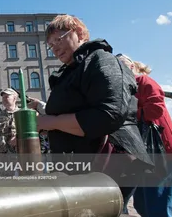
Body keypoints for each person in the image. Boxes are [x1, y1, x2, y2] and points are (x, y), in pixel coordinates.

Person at [27, 14, 154, 204]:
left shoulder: (102, 60)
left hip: (109, 163)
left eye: (58, 39)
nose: (54, 48)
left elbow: (108, 115)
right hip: (83, 165)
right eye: (51, 45)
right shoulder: (71, 71)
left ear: (78, 33)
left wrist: (51, 122)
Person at [117, 54, 172, 217]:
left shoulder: (143, 81)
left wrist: (127, 114)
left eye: (122, 66)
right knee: (142, 205)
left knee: (157, 206)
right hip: (143, 155)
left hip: (162, 152)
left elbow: (156, 108)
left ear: (132, 67)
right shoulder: (124, 90)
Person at [0, 88, 20, 154]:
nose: (4, 99)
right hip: (3, 153)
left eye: (7, 97)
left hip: (18, 152)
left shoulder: (21, 113)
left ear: (14, 98)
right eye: (3, 97)